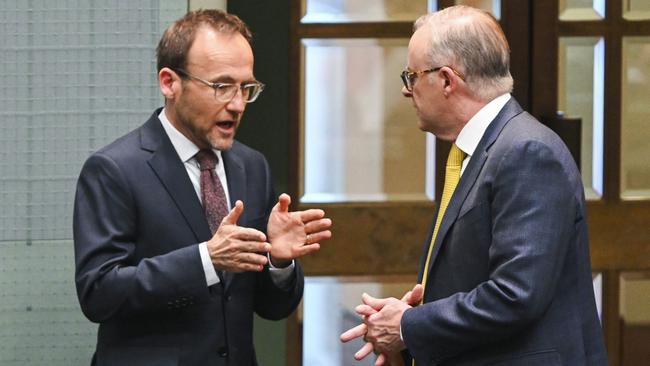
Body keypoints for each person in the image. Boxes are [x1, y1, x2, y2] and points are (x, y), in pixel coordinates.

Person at [341, 5, 607, 366]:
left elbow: (515, 296)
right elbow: (476, 276)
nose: (407, 91)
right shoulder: (483, 149)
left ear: (448, 80)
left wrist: (408, 326)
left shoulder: (527, 152)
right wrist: (411, 323)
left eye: (412, 76)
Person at [73, 9, 331, 366]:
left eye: (247, 88)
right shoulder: (114, 170)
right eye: (222, 87)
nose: (238, 104)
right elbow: (99, 293)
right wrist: (205, 260)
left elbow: (273, 308)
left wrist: (279, 261)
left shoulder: (252, 167)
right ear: (169, 83)